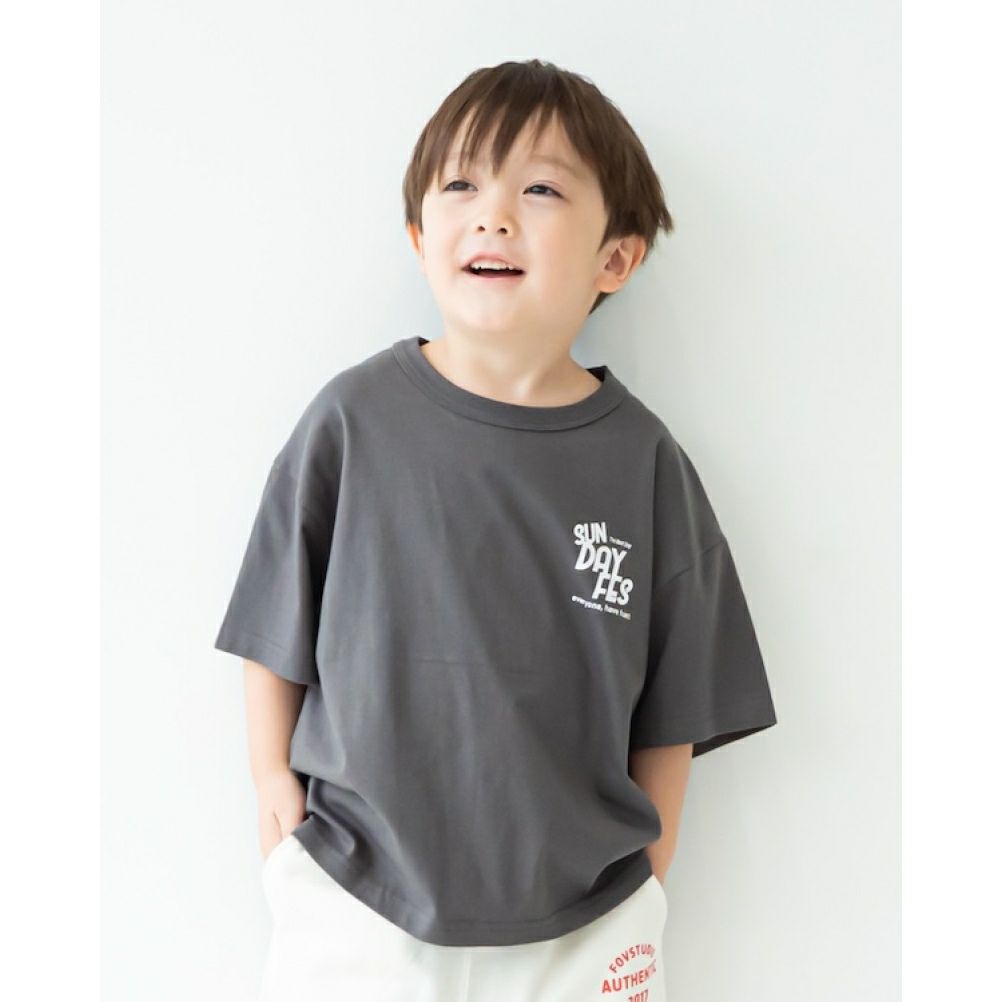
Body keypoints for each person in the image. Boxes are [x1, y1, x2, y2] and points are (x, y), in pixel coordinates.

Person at [214, 57, 778, 1002]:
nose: (494, 216)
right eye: (462, 185)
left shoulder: (643, 461)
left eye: (541, 189)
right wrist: (273, 784)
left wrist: (648, 875)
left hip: (585, 924)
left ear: (616, 259)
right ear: (418, 235)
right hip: (356, 897)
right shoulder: (353, 421)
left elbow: (678, 702)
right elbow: (273, 625)